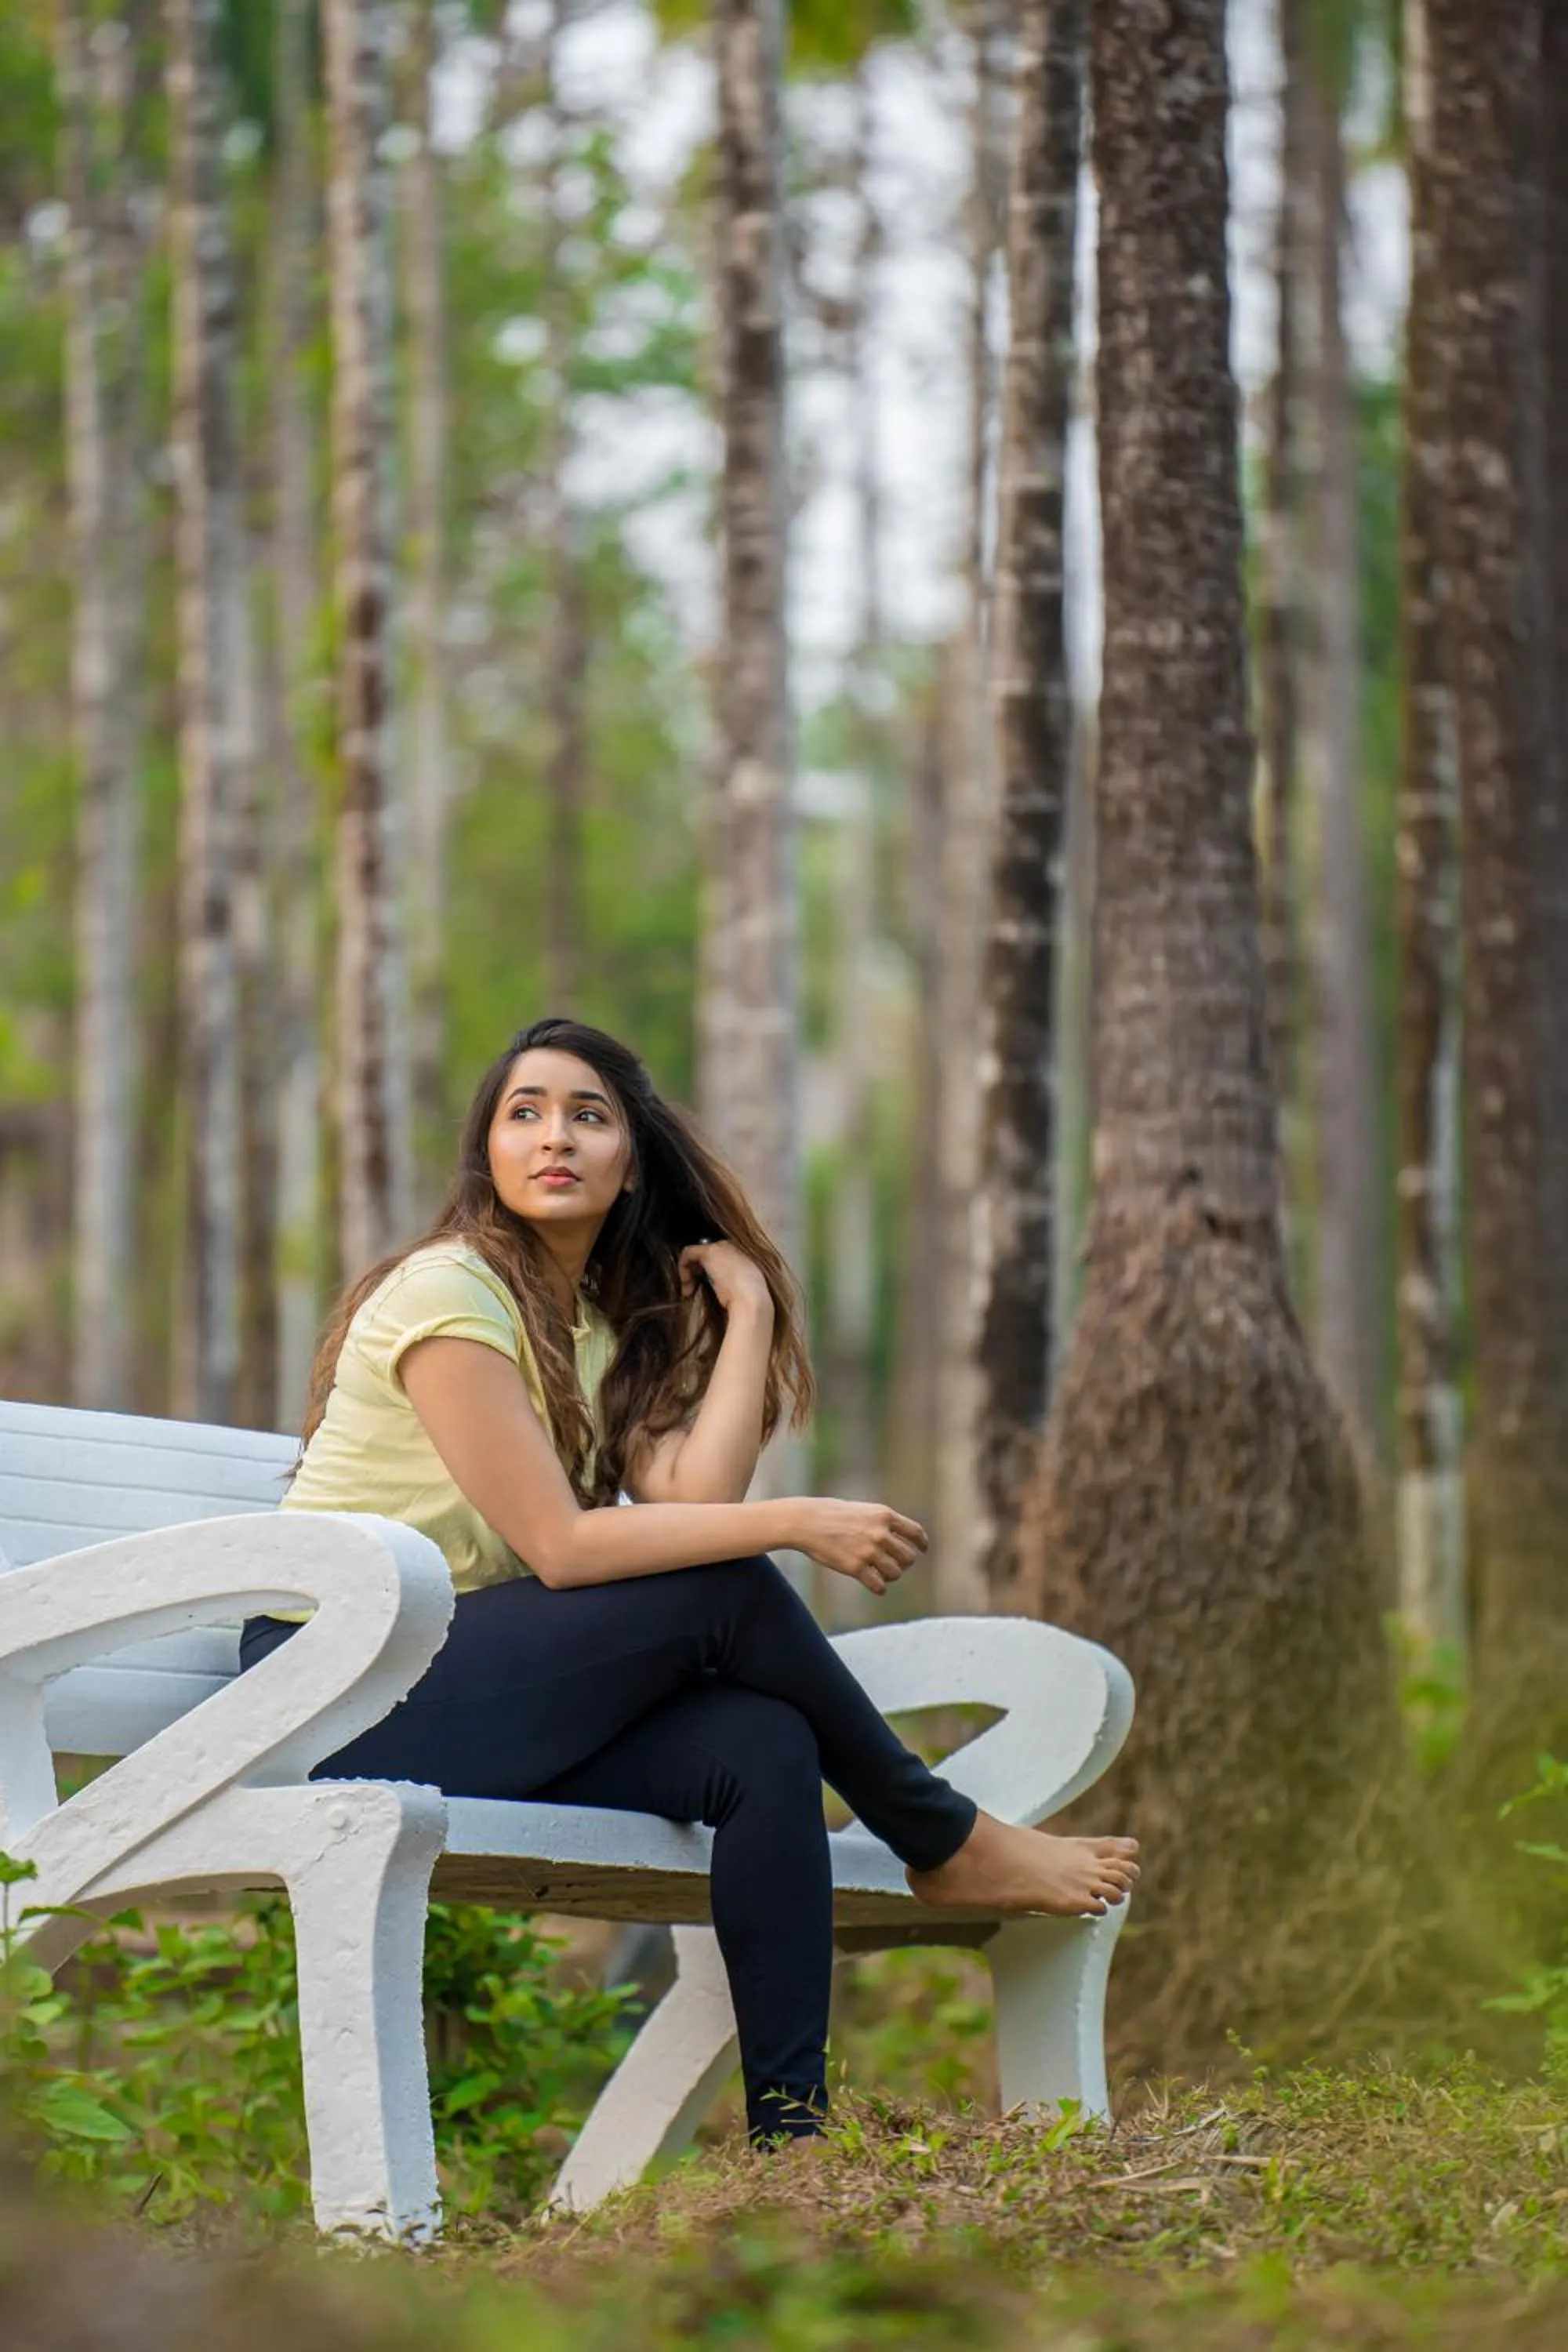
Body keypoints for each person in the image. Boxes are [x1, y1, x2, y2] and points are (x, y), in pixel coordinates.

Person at [240, 1016, 1138, 2147]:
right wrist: (798, 1523)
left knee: (763, 1745)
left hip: (461, 1686)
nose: (554, 1136)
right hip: (333, 1691)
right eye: (525, 1114)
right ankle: (940, 1836)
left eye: (588, 1115)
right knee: (727, 1586)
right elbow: (565, 1548)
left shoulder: (584, 1328)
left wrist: (749, 1309)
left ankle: (793, 2139)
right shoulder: (449, 1294)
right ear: (489, 1154)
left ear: (630, 1166)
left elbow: (696, 1498)